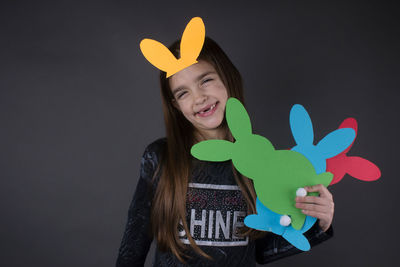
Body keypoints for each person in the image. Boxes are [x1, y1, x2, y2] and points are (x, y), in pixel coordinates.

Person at [116, 37, 334, 267]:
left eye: (205, 80)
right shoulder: (160, 157)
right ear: (175, 105)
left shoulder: (259, 160)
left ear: (227, 77)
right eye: (183, 93)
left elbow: (260, 250)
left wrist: (318, 222)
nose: (199, 98)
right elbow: (132, 247)